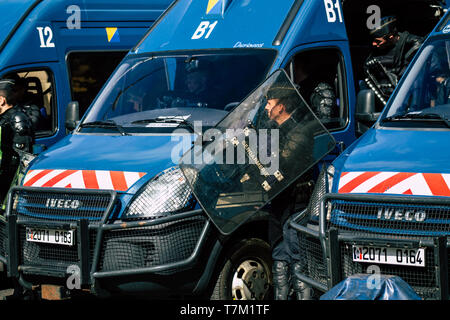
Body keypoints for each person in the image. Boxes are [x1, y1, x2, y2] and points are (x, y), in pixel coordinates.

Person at [264, 84, 321, 300]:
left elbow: (283, 162)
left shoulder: (301, 131)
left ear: (282, 106)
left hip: (296, 204)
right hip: (277, 202)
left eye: (270, 104)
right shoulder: (271, 130)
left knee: (298, 257)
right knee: (279, 256)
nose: (266, 108)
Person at [364, 16, 424, 105]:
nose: (374, 44)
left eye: (378, 41)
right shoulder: (376, 52)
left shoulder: (414, 45)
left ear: (391, 37)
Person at [0, 79, 34, 204]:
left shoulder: (17, 119)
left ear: (1, 100)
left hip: (9, 177)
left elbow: (21, 156)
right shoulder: (2, 119)